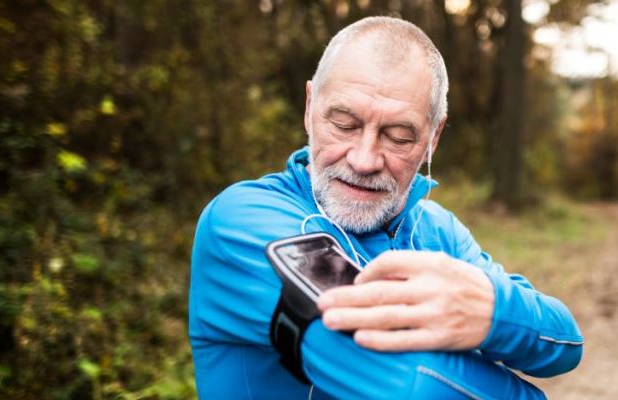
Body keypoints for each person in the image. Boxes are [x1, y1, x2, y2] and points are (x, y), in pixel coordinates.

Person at [188, 16, 583, 399]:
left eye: (398, 136)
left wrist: (493, 310)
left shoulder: (437, 229)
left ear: (434, 137)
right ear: (310, 107)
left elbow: (564, 341)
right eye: (344, 124)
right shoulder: (242, 221)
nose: (363, 160)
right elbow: (419, 385)